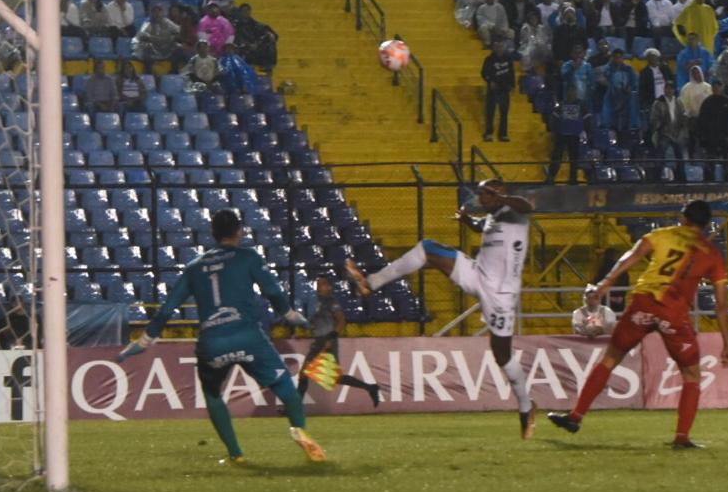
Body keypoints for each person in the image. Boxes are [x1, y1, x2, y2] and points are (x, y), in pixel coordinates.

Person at [117, 209, 325, 463]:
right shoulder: (247, 257)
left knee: (213, 394)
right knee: (285, 388)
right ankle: (300, 431)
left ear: (214, 234)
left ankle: (236, 454)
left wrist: (146, 340)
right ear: (239, 231)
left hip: (212, 343)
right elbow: (272, 290)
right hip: (248, 336)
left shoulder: (195, 267)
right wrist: (291, 315)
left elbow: (168, 308)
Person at [346, 179, 537, 439]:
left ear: (498, 194)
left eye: (485, 193)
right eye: (479, 193)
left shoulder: (516, 213)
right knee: (428, 248)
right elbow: (484, 226)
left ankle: (526, 407)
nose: (481, 197)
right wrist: (466, 221)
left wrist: (501, 197)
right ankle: (371, 283)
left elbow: (526, 205)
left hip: (501, 294)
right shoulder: (493, 219)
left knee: (502, 354)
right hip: (477, 273)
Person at [548, 199, 728, 450]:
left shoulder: (662, 235)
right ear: (707, 223)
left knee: (610, 358)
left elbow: (631, 257)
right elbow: (721, 305)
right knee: (691, 375)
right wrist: (727, 343)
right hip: (674, 314)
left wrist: (605, 285)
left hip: (643, 305)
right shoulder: (711, 254)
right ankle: (681, 437)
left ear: (683, 217)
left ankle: (576, 416)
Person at [296, 274, 380, 405]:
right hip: (318, 341)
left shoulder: (331, 301)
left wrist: (331, 337)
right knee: (319, 376)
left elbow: (341, 321)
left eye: (325, 284)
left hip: (326, 341)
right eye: (321, 284)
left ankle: (294, 408)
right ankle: (370, 387)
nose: (324, 287)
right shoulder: (313, 301)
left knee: (310, 375)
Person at [698, 79, 728, 180]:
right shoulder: (707, 102)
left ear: (722, 87)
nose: (716, 88)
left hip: (725, 137)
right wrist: (703, 136)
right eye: (714, 86)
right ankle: (709, 178)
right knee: (710, 159)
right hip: (711, 137)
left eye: (719, 86)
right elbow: (702, 121)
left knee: (727, 159)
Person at [481, 40, 516, 142]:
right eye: (497, 47)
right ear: (494, 47)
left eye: (501, 46)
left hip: (505, 88)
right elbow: (484, 73)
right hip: (494, 89)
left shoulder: (508, 58)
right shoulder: (489, 59)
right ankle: (489, 133)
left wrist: (512, 85)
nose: (499, 49)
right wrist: (490, 81)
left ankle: (503, 134)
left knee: (504, 112)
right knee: (490, 111)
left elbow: (511, 72)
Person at [132, 4, 184, 73]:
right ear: (152, 13)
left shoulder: (167, 22)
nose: (157, 14)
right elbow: (141, 35)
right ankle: (150, 73)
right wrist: (152, 38)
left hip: (166, 48)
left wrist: (172, 37)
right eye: (155, 11)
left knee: (179, 48)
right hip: (153, 49)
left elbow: (179, 31)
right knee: (146, 47)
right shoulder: (148, 22)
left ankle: (174, 71)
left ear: (162, 12)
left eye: (159, 11)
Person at [231, 4, 280, 71]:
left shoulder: (256, 25)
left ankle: (268, 65)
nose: (246, 13)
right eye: (243, 11)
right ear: (240, 12)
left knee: (270, 42)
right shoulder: (235, 26)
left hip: (256, 49)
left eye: (247, 10)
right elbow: (237, 38)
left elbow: (269, 32)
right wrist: (247, 44)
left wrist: (269, 33)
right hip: (242, 49)